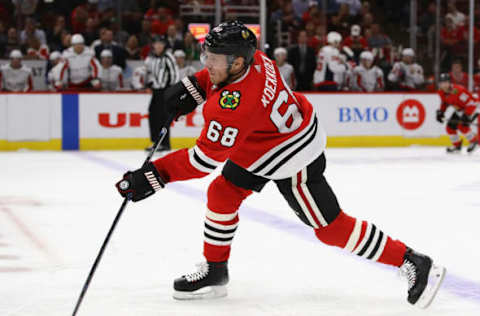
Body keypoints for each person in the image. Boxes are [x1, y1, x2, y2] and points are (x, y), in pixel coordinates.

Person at [115, 20, 445, 308]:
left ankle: (411, 259)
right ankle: (216, 270)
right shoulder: (255, 59)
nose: (208, 64)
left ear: (236, 62)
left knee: (330, 228)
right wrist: (195, 85)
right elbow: (221, 80)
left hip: (291, 154)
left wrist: (155, 174)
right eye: (207, 56)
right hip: (267, 139)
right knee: (222, 193)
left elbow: (203, 160)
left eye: (214, 60)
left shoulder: (233, 107)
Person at [142, 35, 179, 152]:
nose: (158, 46)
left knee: (163, 118)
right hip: (156, 91)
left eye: (161, 44)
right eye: (156, 43)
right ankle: (155, 142)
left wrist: (172, 90)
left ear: (164, 45)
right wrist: (148, 85)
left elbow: (175, 74)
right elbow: (148, 73)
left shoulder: (168, 57)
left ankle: (165, 144)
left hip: (166, 90)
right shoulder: (151, 58)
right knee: (153, 115)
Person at [436, 73, 479, 153]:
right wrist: (441, 112)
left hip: (474, 107)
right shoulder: (441, 92)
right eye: (442, 83)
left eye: (446, 82)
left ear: (450, 83)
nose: (444, 85)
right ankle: (457, 145)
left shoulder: (458, 91)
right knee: (450, 127)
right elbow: (444, 103)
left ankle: (474, 142)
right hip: (461, 109)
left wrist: (467, 114)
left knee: (462, 126)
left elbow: (472, 102)